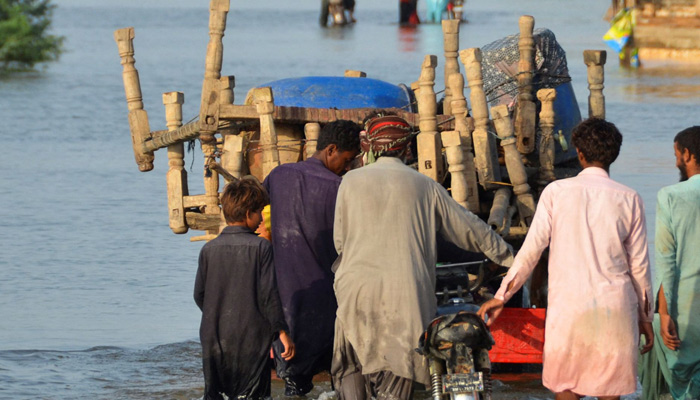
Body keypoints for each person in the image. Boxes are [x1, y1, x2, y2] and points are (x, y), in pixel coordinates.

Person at [331, 114, 514, 400]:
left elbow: (340, 242)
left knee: (355, 367)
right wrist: (512, 260)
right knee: (399, 373)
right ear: (406, 149)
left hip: (355, 292)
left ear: (370, 147)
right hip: (406, 297)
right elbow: (472, 231)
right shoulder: (424, 185)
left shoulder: (349, 182)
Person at [478, 118, 654, 400]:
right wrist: (645, 317)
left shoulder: (556, 193)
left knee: (566, 388)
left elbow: (531, 250)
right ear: (614, 155)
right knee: (610, 391)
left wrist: (502, 295)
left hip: (569, 309)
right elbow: (640, 267)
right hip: (615, 308)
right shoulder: (630, 198)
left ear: (579, 154)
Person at [263, 120, 361, 396]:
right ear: (331, 150)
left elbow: (257, 211)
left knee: (295, 382)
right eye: (348, 159)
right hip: (326, 299)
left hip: (285, 301)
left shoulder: (279, 175)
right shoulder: (339, 188)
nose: (348, 166)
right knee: (340, 374)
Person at [194, 178, 295, 400]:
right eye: (259, 212)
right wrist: (282, 332)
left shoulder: (208, 249)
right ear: (248, 213)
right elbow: (269, 295)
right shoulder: (262, 247)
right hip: (251, 339)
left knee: (216, 394)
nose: (261, 219)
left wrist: (220, 315)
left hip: (214, 337)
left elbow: (199, 295)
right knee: (253, 395)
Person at [641, 126, 700, 400]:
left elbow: (667, 261)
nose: (676, 161)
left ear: (687, 155)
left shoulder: (671, 196)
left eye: (677, 154)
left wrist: (664, 315)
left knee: (683, 385)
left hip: (687, 310)